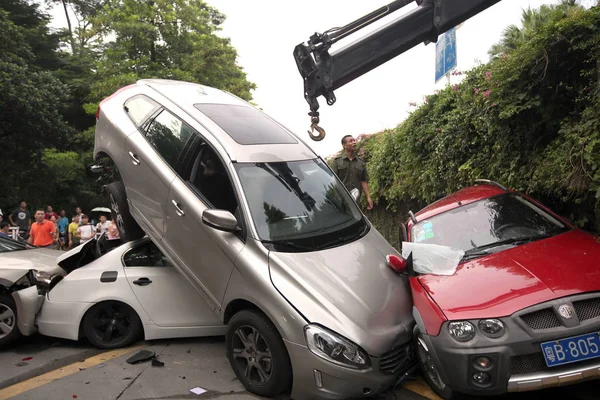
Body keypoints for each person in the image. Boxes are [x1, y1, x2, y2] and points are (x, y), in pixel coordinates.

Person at [331, 135, 374, 210]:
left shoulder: (361, 163)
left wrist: (368, 198)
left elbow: (363, 181)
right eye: (351, 141)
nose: (354, 142)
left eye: (354, 140)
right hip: (340, 202)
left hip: (355, 202)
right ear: (344, 145)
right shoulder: (337, 162)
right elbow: (332, 181)